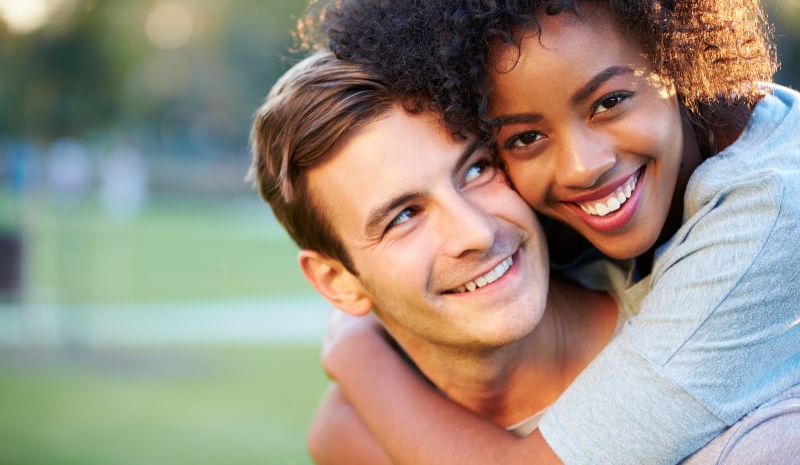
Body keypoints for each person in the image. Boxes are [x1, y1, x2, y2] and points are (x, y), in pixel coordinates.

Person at [304, 0, 800, 463]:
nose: (583, 166)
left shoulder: (770, 209)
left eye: (609, 102)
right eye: (525, 137)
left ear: (676, 58)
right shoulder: (599, 189)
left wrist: (356, 353)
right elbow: (332, 428)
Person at [247, 50, 629, 463]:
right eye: (404, 216)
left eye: (476, 170)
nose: (477, 232)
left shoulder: (674, 328)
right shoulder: (351, 437)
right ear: (337, 282)